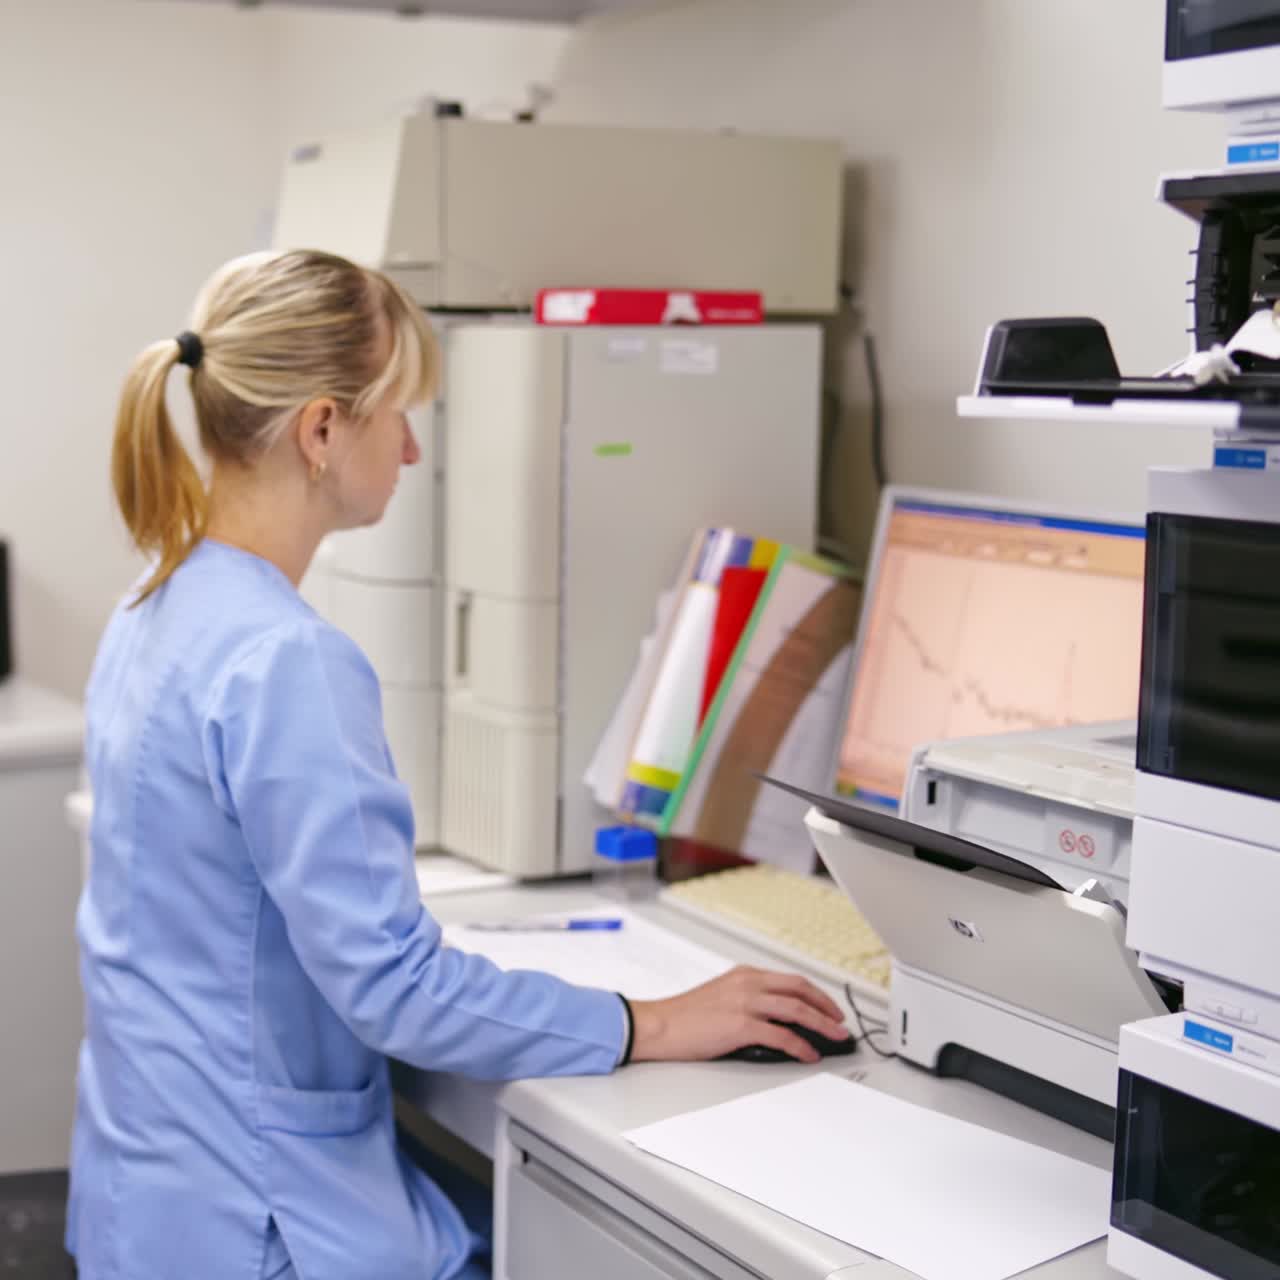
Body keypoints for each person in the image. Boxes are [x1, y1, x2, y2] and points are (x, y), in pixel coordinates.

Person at [65, 249, 850, 1280]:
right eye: (398, 412)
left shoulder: (155, 599)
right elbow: (394, 988)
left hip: (146, 1201)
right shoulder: (285, 658)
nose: (413, 448)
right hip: (259, 1222)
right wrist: (650, 1018)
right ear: (320, 430)